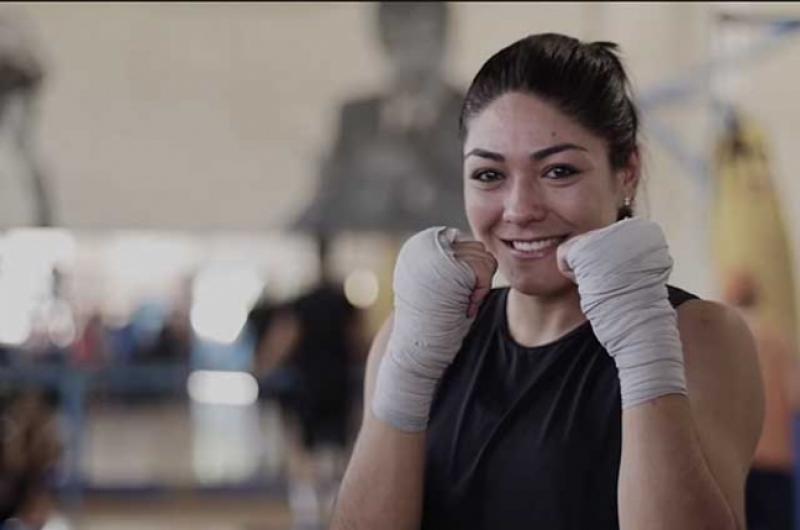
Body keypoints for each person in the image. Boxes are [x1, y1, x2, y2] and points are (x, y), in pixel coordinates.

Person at [330, 33, 764, 530]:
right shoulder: (411, 338)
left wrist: (643, 346)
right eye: (490, 175)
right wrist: (407, 367)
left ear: (627, 172)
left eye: (559, 171)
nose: (520, 210)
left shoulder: (700, 335)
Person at [295, 1, 467, 234]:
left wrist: (418, 189)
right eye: (400, 40)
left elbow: (492, 211)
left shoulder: (476, 114)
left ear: (443, 40)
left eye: (423, 37)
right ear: (384, 42)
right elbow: (326, 207)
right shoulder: (356, 118)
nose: (413, 55)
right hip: (363, 257)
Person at [724, 270, 798, 530]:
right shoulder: (777, 338)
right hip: (776, 457)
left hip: (736, 461)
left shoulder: (721, 338)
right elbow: (794, 397)